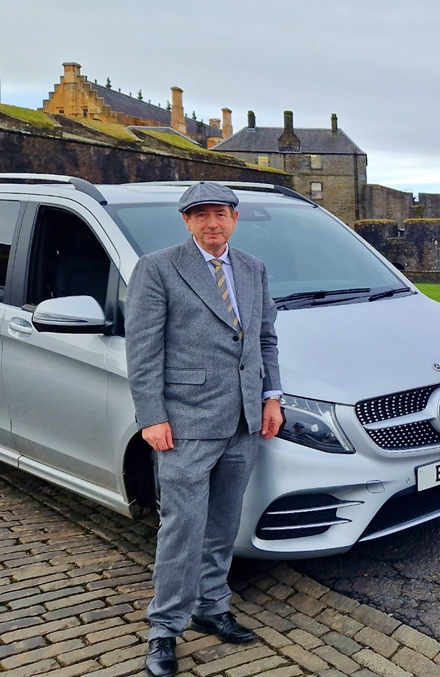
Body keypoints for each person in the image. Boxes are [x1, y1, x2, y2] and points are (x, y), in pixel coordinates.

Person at [126, 181, 283, 677]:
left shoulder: (253, 268)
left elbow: (265, 338)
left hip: (244, 419)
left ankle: (212, 607)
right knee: (182, 528)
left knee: (222, 524)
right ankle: (164, 628)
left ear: (235, 217)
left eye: (220, 213)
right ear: (186, 221)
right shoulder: (158, 267)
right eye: (200, 214)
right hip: (186, 421)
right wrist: (151, 415)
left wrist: (272, 396)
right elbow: (143, 349)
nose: (211, 222)